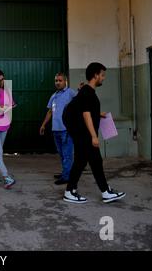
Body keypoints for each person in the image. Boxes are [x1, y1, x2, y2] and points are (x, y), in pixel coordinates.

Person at [63, 62, 126, 204]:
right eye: (102, 75)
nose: (103, 78)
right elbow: (86, 114)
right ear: (95, 75)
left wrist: (99, 114)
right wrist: (94, 136)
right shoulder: (87, 92)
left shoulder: (87, 92)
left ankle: (101, 191)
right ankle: (100, 192)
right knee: (92, 160)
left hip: (81, 131)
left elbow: (87, 111)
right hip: (83, 133)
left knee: (86, 160)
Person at [40, 73, 77, 185]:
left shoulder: (70, 93)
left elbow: (81, 101)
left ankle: (67, 177)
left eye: (60, 80)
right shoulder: (54, 96)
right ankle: (66, 172)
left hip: (66, 129)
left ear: (65, 81)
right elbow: (50, 111)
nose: (57, 82)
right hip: (56, 130)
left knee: (67, 154)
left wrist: (80, 90)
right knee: (62, 154)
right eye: (56, 80)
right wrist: (43, 125)